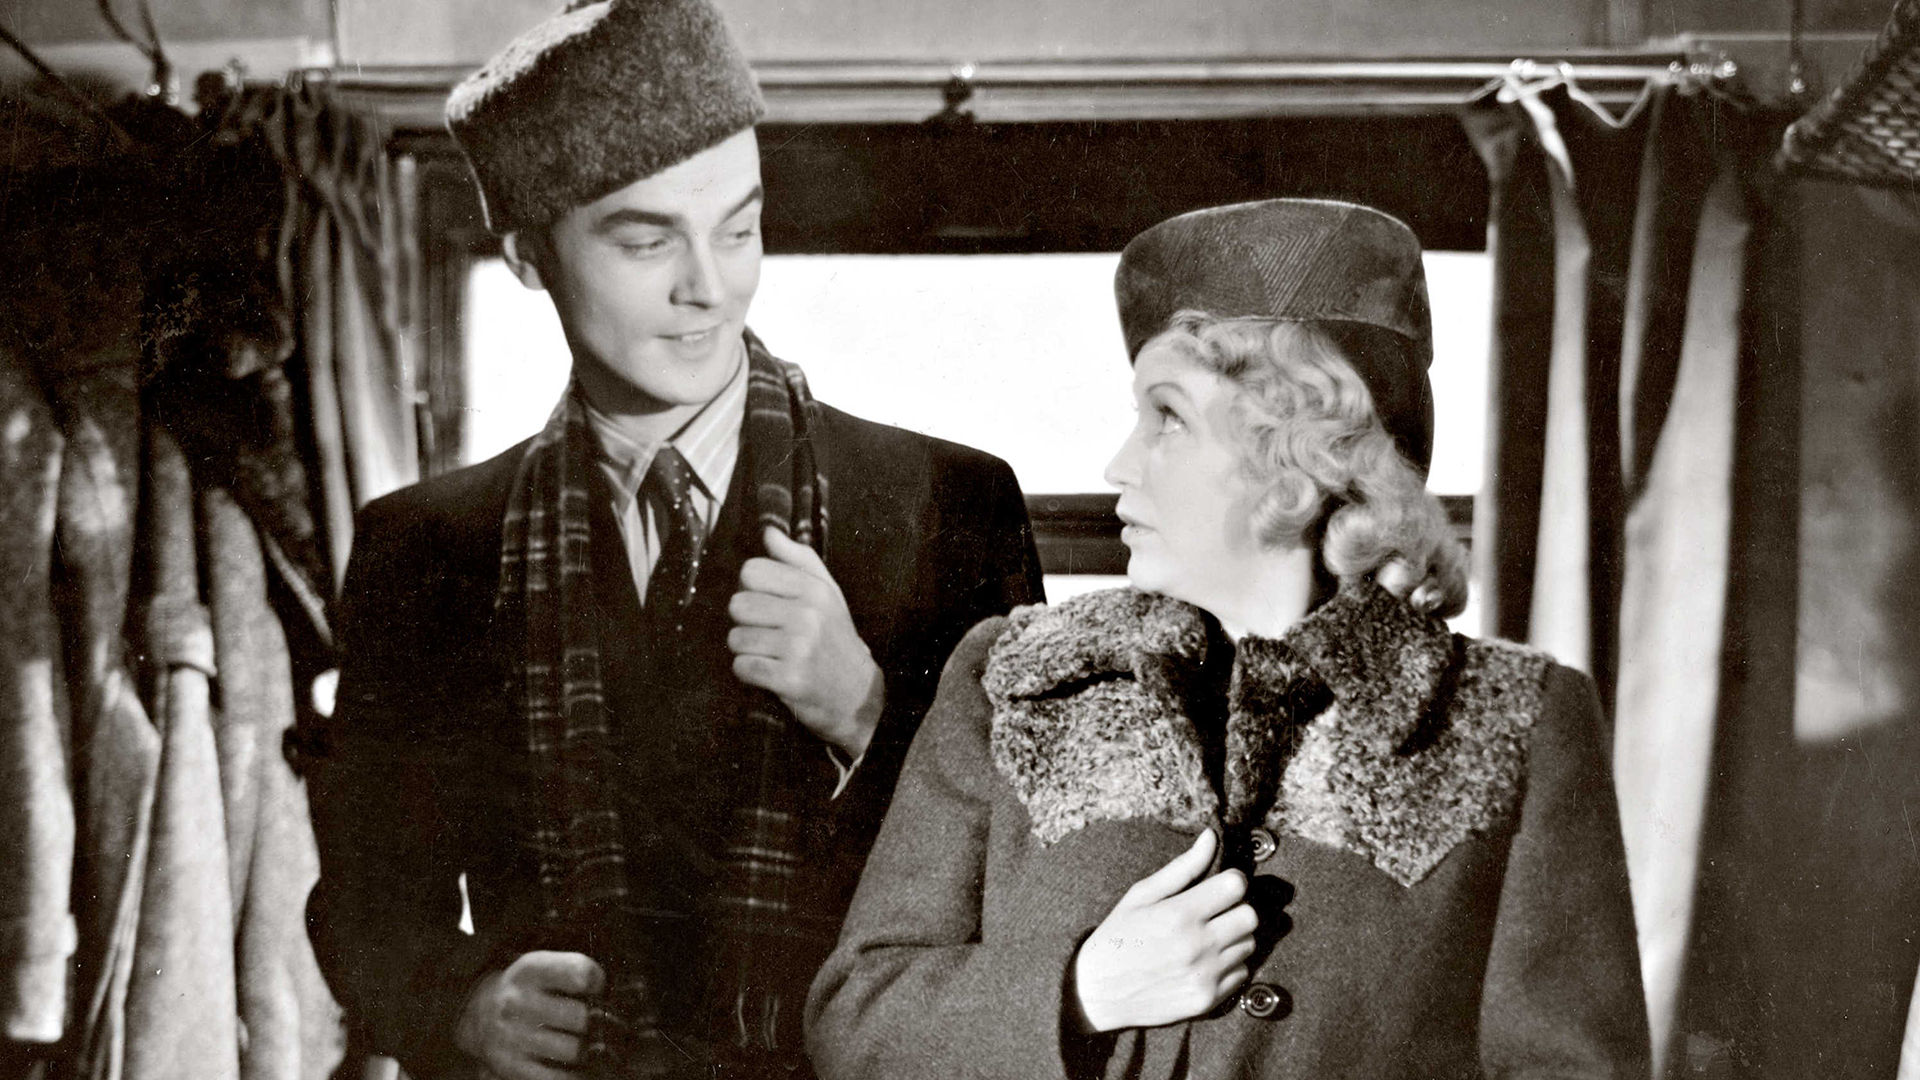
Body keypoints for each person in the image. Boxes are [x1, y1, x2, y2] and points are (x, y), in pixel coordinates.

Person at [302, 2, 1043, 1079]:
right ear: (528, 255)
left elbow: (1030, 888)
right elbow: (365, 903)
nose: (709, 286)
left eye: (738, 229)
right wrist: (461, 1005)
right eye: (646, 240)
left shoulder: (949, 501)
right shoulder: (423, 547)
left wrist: (866, 715)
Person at [804, 198, 1651, 1080]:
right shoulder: (1013, 680)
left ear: (1298, 456)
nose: (1119, 464)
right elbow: (856, 1021)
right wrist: (1084, 991)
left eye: (1167, 418)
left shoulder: (1510, 719)